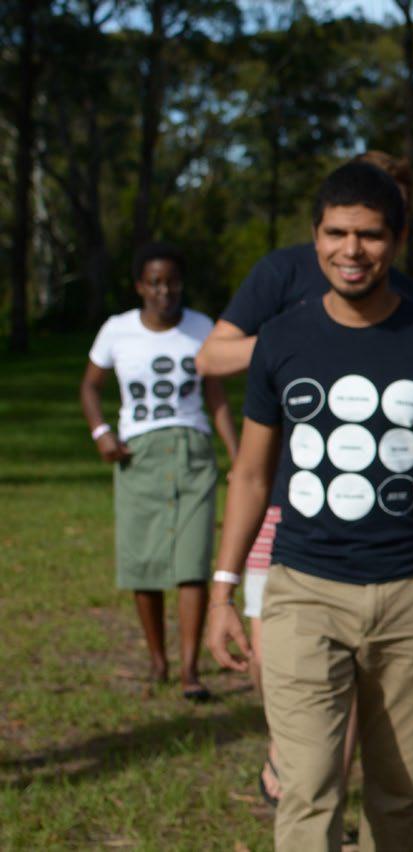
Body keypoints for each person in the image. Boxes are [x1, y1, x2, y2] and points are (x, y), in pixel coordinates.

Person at [204, 162, 413, 851]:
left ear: (396, 240)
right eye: (336, 232)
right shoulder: (281, 339)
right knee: (308, 788)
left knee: (397, 793)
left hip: (412, 596)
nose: (351, 249)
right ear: (314, 237)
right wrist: (223, 589)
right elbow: (249, 475)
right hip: (302, 592)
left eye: (369, 235)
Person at [195, 151, 413, 806]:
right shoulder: (283, 272)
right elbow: (210, 355)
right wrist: (300, 343)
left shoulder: (408, 293)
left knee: (341, 677)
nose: (360, 241)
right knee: (276, 660)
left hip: (369, 513)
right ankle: (289, 756)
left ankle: (317, 795)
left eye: (387, 213)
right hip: (280, 498)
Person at [80, 242, 238, 699]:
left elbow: (216, 397)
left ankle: (189, 670)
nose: (163, 291)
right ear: (139, 286)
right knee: (144, 562)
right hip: (139, 454)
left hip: (192, 451)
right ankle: (157, 660)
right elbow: (90, 387)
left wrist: (237, 454)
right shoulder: (117, 330)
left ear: (181, 284)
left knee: (192, 560)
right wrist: (101, 433)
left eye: (171, 282)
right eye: (154, 283)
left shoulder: (201, 328)